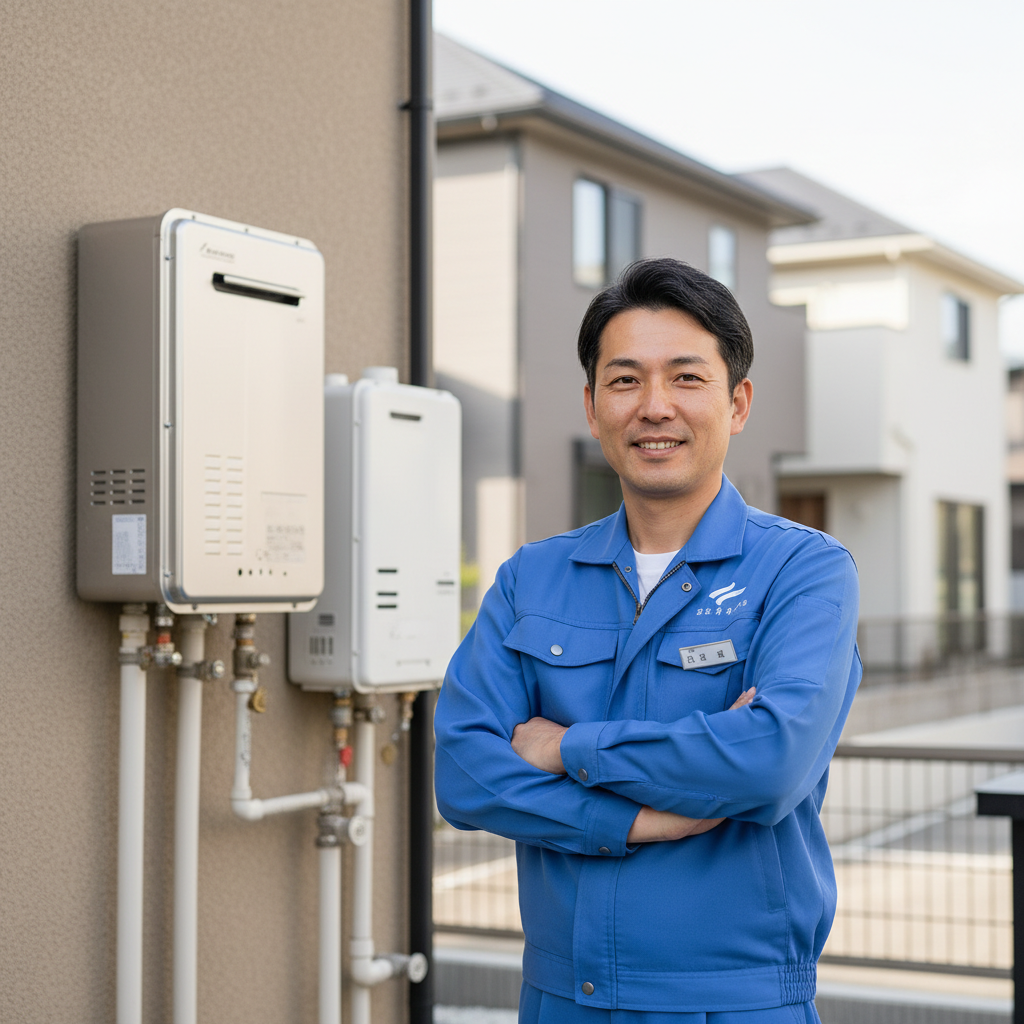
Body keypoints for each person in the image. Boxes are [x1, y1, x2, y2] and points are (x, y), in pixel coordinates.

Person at [433, 257, 861, 1023]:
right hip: (561, 998)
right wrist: (633, 820)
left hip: (737, 1003)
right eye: (625, 380)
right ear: (593, 407)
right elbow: (466, 773)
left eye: (687, 379)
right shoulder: (533, 577)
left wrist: (567, 748)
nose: (654, 406)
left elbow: (770, 760)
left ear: (737, 404)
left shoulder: (802, 570)